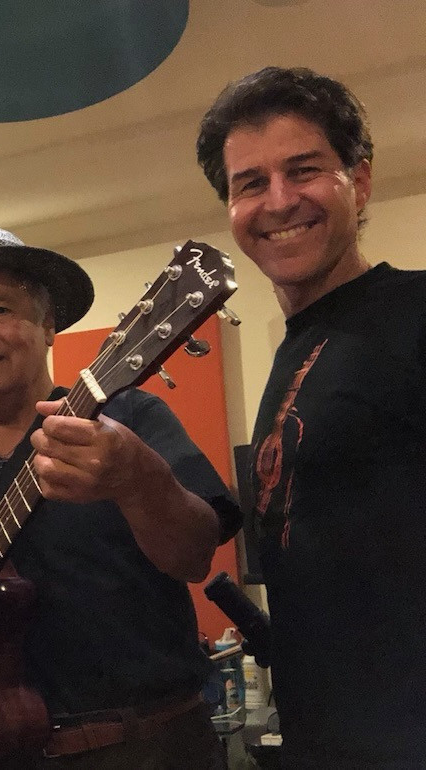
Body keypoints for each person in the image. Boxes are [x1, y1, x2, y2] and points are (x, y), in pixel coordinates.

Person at [0, 223, 242, 767]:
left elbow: (196, 554)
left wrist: (136, 478)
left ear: (49, 324)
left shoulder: (128, 418)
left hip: (149, 750)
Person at [197, 67, 426, 765]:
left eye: (304, 170)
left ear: (360, 182)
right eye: (250, 183)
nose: (279, 200)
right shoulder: (295, 355)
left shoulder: (415, 312)